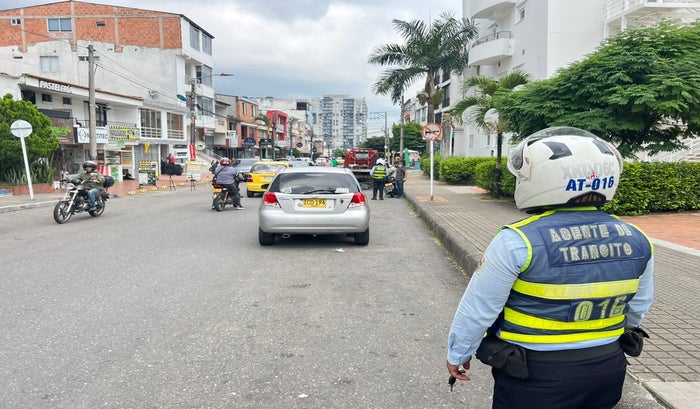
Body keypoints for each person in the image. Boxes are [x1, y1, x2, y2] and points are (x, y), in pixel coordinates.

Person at [446, 127, 654, 409]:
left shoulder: (517, 241)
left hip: (535, 374)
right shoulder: (638, 238)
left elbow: (479, 308)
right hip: (608, 366)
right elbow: (638, 307)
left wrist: (459, 353)